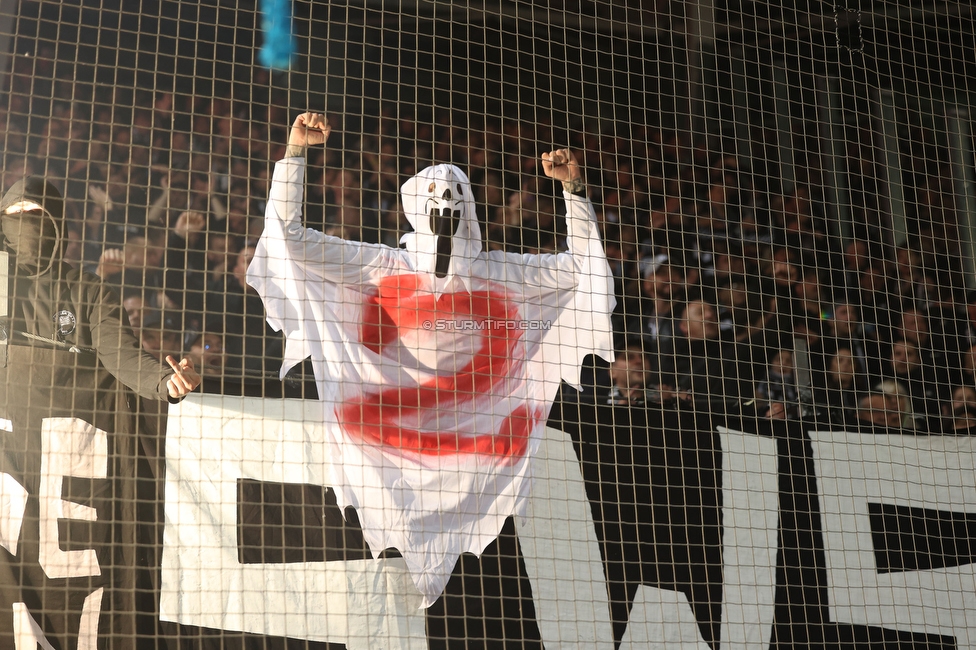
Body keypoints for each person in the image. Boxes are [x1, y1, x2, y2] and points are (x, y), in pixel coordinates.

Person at [247, 112, 615, 607]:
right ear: (414, 207)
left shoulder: (501, 272)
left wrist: (574, 192)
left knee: (476, 599)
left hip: (476, 458)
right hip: (385, 453)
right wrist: (293, 157)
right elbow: (288, 240)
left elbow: (582, 269)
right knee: (378, 591)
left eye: (455, 197)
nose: (446, 206)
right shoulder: (381, 265)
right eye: (435, 199)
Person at [0, 176, 200, 648]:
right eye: (16, 216)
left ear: (59, 224)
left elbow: (119, 351)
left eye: (38, 216)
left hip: (63, 474)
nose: (27, 226)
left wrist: (163, 381)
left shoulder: (87, 289)